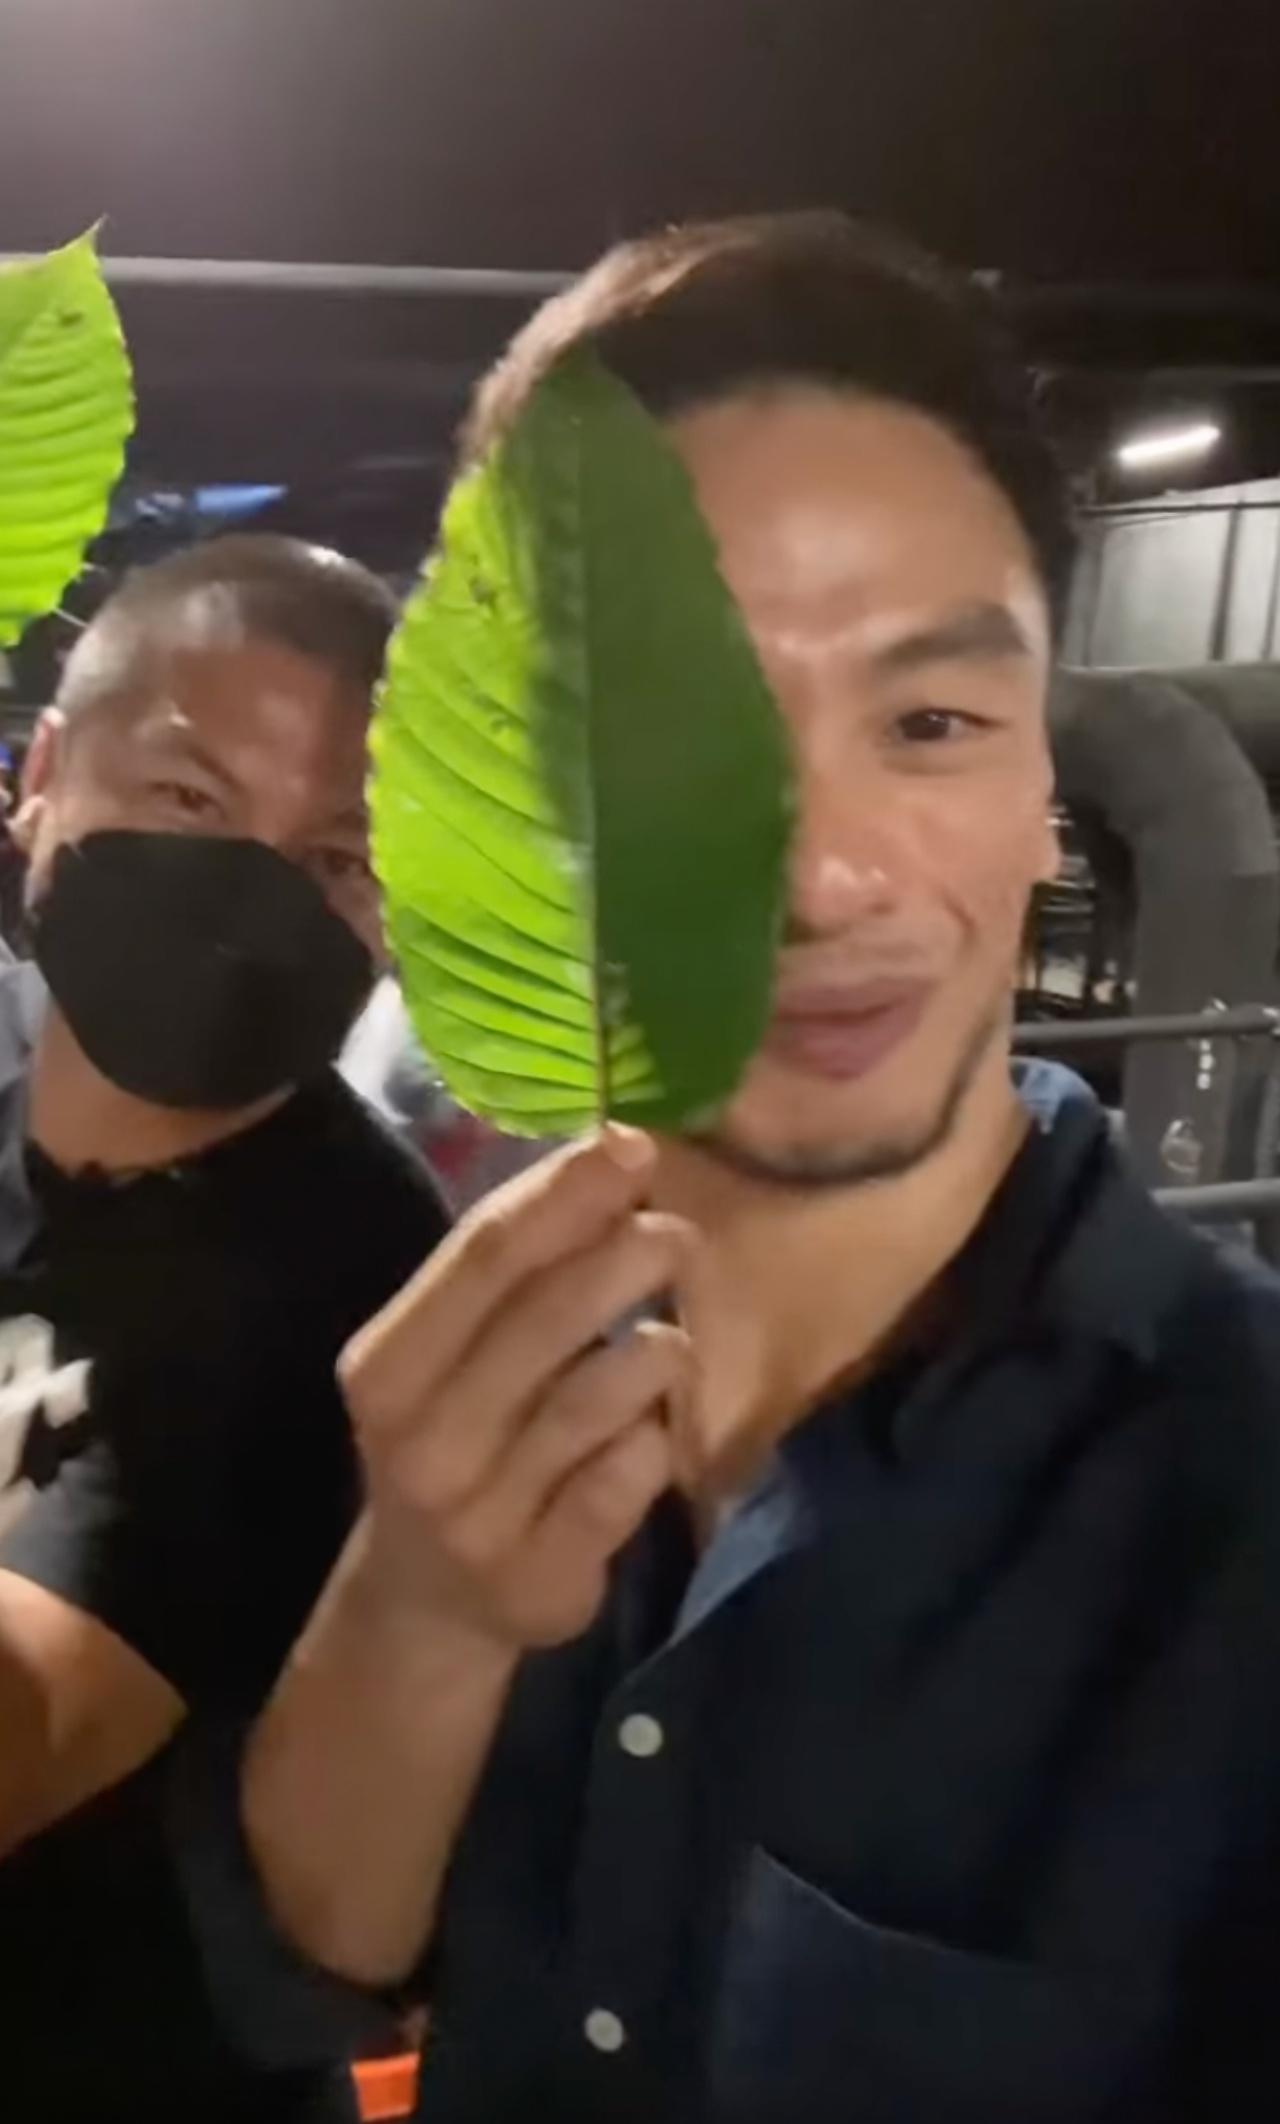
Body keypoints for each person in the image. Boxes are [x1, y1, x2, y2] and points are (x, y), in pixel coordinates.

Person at [190, 218, 1280, 2121]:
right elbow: (311, 1971)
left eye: (930, 725)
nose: (817, 878)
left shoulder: (1235, 1491)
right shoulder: (457, 1340)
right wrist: (422, 1603)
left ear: (1045, 790)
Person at [0, 535, 448, 2119]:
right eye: (192, 799)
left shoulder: (349, 1280)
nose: (255, 900)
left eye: (337, 856)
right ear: (42, 778)